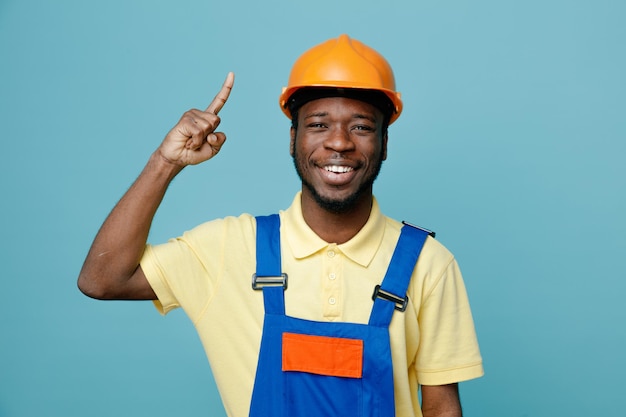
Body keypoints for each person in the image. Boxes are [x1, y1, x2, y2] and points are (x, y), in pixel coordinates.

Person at [78, 34, 483, 417]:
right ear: (293, 139)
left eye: (360, 126)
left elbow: (442, 408)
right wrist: (165, 163)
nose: (339, 142)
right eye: (318, 124)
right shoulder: (230, 249)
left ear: (384, 143)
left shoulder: (427, 264)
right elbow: (103, 279)